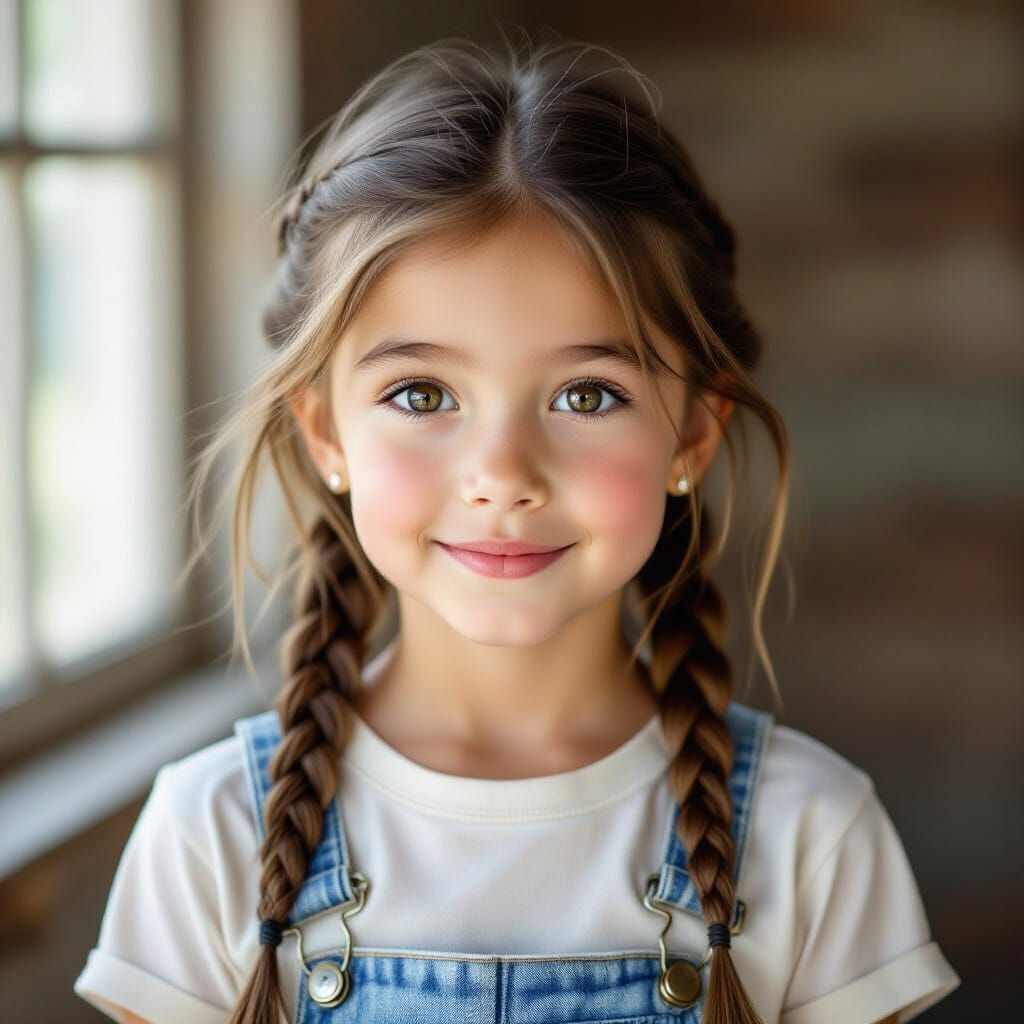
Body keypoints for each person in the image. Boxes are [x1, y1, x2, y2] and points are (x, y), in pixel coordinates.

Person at [73, 32, 961, 1024]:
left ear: (693, 434)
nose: (501, 475)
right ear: (326, 433)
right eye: (420, 393)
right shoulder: (210, 834)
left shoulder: (811, 836)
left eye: (586, 395)